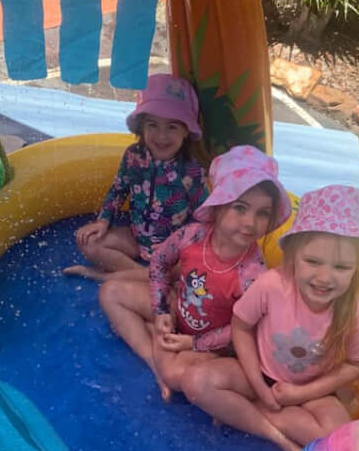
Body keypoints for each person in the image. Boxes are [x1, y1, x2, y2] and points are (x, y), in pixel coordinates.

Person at [183, 184, 359, 451]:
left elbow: (357, 364)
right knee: (196, 381)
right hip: (257, 374)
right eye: (312, 261)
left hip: (312, 392)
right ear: (293, 256)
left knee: (343, 442)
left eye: (341, 267)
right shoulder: (272, 285)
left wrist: (302, 394)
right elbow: (241, 327)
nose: (324, 278)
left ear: (358, 269)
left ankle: (247, 414)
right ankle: (273, 430)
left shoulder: (355, 313)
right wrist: (257, 385)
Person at [98, 145, 292, 402]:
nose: (250, 222)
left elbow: (242, 329)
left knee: (176, 375)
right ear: (219, 205)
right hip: (178, 310)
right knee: (111, 292)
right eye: (240, 208)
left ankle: (161, 352)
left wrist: (194, 344)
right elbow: (158, 262)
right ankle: (151, 356)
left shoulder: (253, 274)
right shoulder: (193, 235)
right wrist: (160, 311)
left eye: (262, 214)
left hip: (211, 344)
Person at [63, 73, 208, 279]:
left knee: (196, 266)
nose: (162, 136)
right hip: (135, 238)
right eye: (153, 125)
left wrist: (178, 243)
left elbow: (203, 216)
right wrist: (102, 222)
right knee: (89, 242)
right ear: (141, 126)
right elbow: (118, 190)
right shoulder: (133, 156)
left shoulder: (191, 169)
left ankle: (112, 276)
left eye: (172, 127)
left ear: (186, 131)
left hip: (170, 249)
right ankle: (146, 276)